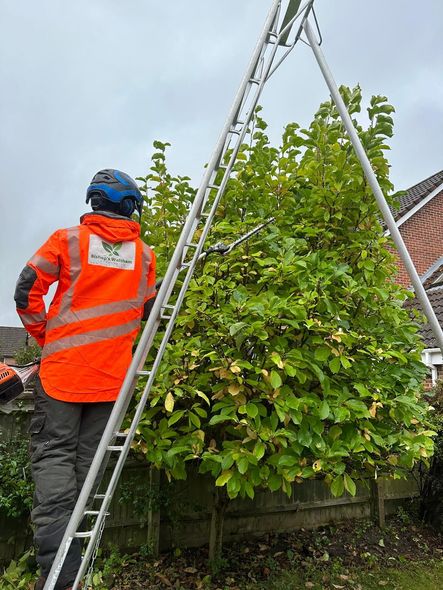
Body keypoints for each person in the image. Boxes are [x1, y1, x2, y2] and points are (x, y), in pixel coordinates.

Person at [14, 169, 156, 590]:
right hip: (111, 381)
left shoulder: (67, 241)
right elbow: (147, 310)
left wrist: (47, 336)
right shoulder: (145, 257)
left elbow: (26, 292)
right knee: (84, 471)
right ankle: (69, 569)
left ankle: (59, 574)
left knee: (54, 463)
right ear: (130, 206)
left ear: (94, 201)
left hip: (61, 377)